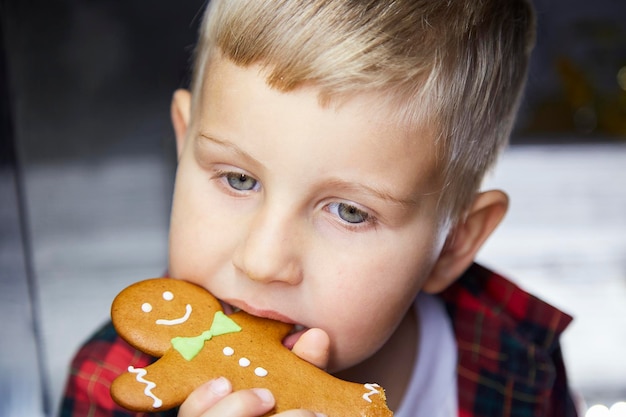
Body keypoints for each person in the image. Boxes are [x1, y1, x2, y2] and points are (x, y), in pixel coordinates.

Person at [59, 1, 579, 416]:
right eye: (239, 179)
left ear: (453, 244)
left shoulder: (521, 363)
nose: (262, 262)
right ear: (183, 141)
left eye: (350, 212)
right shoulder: (108, 385)